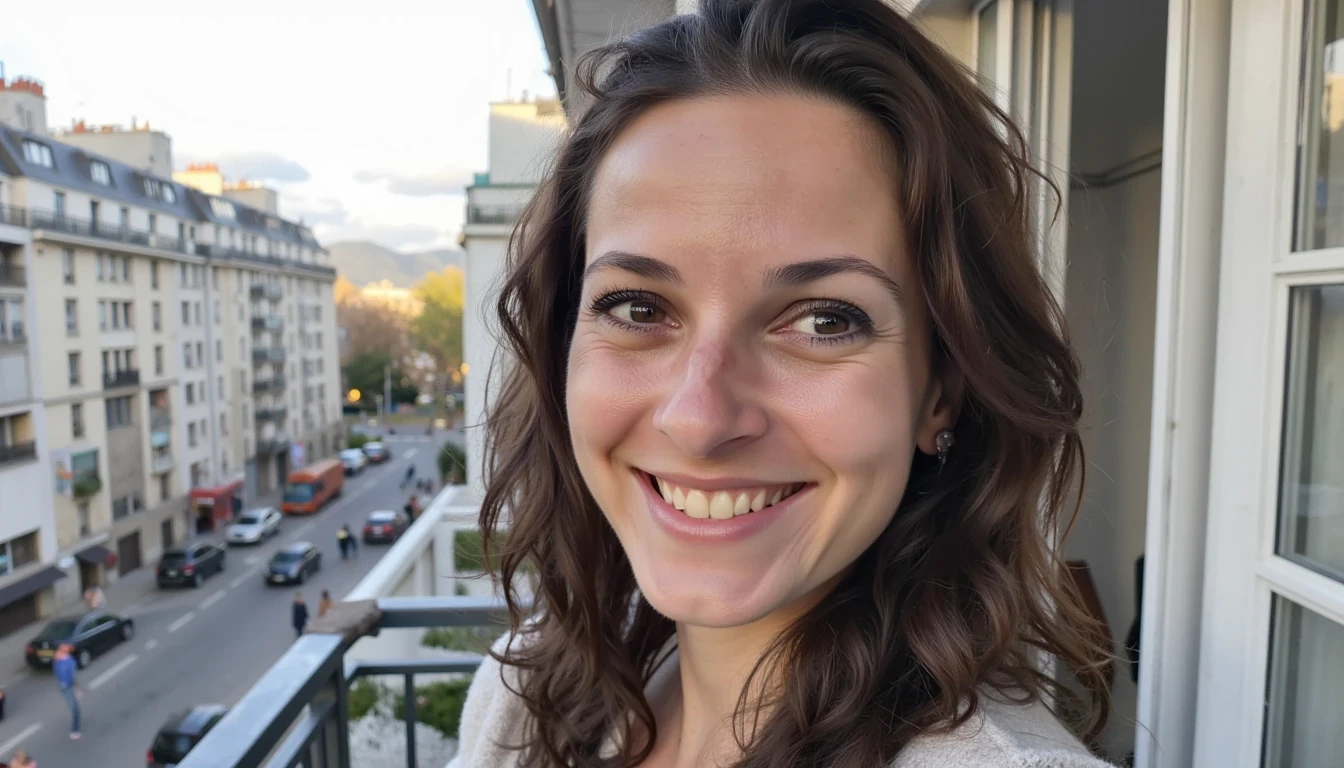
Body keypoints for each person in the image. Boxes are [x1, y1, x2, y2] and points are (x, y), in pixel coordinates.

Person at [448, 2, 1114, 767]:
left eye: (825, 321)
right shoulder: (524, 696)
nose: (699, 418)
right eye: (638, 307)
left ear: (943, 391)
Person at [52, 644, 81, 740]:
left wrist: (77, 689)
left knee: (75, 710)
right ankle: (74, 730)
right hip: (64, 687)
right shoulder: (58, 660)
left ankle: (74, 730)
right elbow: (56, 672)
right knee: (75, 710)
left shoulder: (70, 662)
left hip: (68, 686)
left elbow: (73, 677)